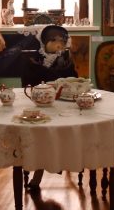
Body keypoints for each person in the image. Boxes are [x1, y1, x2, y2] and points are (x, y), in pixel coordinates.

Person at [21, 24, 78, 190]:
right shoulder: (35, 59)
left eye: (62, 42)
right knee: (40, 138)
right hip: (40, 105)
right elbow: (27, 81)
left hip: (62, 105)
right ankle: (37, 173)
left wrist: (64, 72)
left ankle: (62, 161)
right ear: (44, 42)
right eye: (54, 41)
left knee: (61, 136)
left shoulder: (65, 60)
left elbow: (72, 80)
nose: (58, 45)